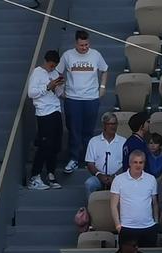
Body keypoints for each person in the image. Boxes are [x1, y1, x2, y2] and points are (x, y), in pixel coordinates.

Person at [57, 30, 108, 174]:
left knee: (88, 131)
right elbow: (57, 73)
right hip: (73, 99)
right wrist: (60, 91)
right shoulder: (68, 55)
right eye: (81, 45)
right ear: (76, 43)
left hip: (91, 98)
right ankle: (73, 158)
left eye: (86, 45)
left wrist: (102, 87)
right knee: (74, 130)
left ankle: (88, 160)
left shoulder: (96, 55)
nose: (84, 47)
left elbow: (105, 70)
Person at [27, 49, 64, 190]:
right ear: (46, 62)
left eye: (54, 66)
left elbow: (59, 94)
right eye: (51, 65)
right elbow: (31, 93)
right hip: (43, 113)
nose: (52, 68)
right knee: (45, 145)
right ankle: (34, 176)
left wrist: (59, 85)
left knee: (55, 145)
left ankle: (51, 174)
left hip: (56, 111)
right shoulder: (37, 72)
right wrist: (47, 87)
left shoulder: (55, 73)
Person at [110, 150, 159, 247]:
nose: (138, 165)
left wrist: (156, 223)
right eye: (135, 162)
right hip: (127, 228)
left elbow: (155, 203)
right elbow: (113, 205)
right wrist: (118, 225)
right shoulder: (118, 180)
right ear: (129, 163)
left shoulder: (151, 179)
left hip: (148, 227)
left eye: (141, 162)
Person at [84, 112, 126, 198]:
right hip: (99, 176)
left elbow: (126, 163)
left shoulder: (123, 141)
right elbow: (90, 163)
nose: (113, 126)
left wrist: (115, 176)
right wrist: (99, 175)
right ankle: (91, 209)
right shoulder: (94, 141)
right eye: (110, 124)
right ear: (104, 125)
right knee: (89, 184)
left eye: (115, 123)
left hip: (118, 177)